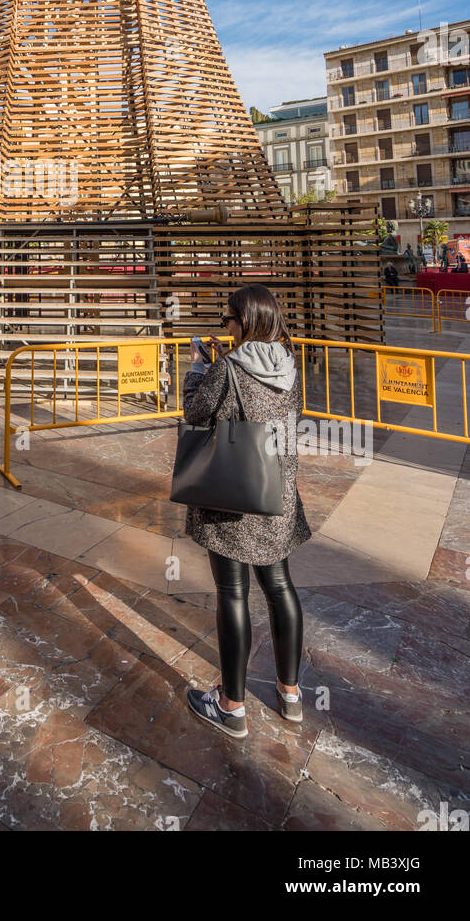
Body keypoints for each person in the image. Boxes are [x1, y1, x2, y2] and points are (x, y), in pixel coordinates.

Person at [180, 284, 309, 739]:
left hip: (233, 499)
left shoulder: (229, 370)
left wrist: (199, 367)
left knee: (232, 594)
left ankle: (232, 705)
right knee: (280, 586)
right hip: (276, 493)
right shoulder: (289, 367)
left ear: (246, 322)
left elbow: (196, 413)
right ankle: (290, 693)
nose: (225, 328)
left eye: (228, 321)